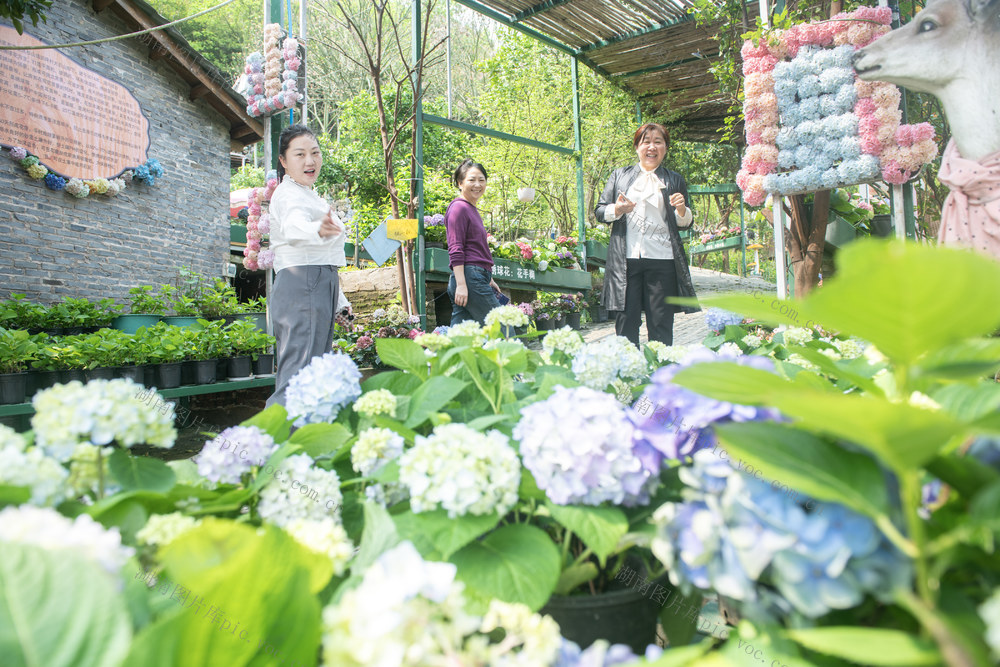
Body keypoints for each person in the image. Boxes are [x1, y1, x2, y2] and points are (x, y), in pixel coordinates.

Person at [265, 124, 351, 408]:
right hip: (302, 284)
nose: (310, 161)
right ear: (283, 161)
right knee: (297, 376)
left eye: (315, 153)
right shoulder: (289, 194)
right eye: (300, 154)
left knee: (311, 375)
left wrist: (338, 300)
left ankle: (300, 446)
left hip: (315, 283)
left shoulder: (309, 193)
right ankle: (267, 446)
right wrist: (318, 228)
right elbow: (294, 228)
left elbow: (322, 256)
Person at [594, 122, 699, 347]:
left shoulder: (674, 179)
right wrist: (617, 209)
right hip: (626, 260)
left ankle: (661, 374)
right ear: (637, 147)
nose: (652, 147)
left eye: (658, 142)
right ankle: (627, 375)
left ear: (665, 148)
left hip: (662, 260)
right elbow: (600, 211)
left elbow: (684, 223)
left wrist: (681, 210)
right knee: (625, 323)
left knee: (661, 323)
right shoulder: (619, 176)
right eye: (646, 142)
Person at [445, 159, 503, 325]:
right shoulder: (459, 208)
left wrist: (488, 278)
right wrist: (463, 285)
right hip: (470, 279)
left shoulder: (471, 209)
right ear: (460, 183)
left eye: (481, 180)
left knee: (463, 339)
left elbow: (476, 248)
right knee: (502, 329)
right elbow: (456, 248)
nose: (477, 184)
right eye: (471, 180)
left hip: (475, 277)